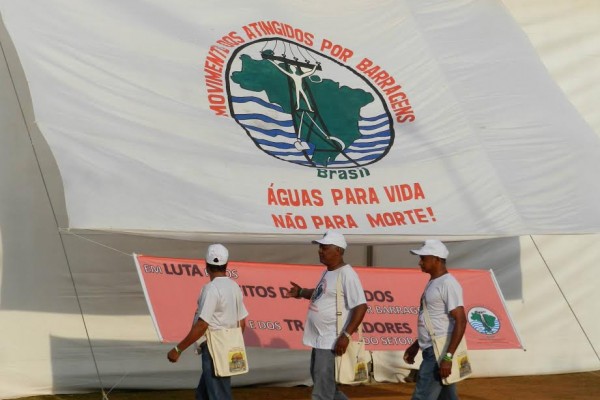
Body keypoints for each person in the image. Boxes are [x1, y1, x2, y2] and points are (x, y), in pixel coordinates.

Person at [285, 230, 368, 400]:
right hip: (320, 340)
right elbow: (319, 293)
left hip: (331, 340)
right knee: (327, 387)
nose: (320, 251)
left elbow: (361, 306)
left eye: (324, 247)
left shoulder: (347, 274)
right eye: (320, 247)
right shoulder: (329, 272)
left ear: (338, 250)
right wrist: (301, 291)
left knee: (322, 392)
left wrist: (345, 335)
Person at [167, 244, 249, 400]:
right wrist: (231, 342)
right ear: (226, 264)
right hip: (228, 347)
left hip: (214, 349)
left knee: (219, 395)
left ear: (206, 265)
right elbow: (242, 322)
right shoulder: (234, 287)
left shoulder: (211, 289)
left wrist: (178, 349)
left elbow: (202, 325)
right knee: (203, 395)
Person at [403, 239, 467, 400]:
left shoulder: (448, 283)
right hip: (433, 349)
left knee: (421, 396)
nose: (420, 262)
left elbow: (461, 320)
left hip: (438, 353)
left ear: (437, 259)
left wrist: (448, 357)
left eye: (424, 258)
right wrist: (416, 345)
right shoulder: (434, 282)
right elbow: (433, 320)